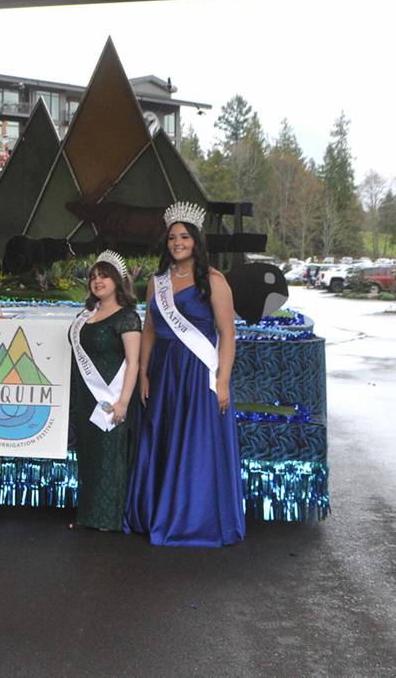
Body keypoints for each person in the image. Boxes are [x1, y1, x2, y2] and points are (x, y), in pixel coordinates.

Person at [125, 201, 245, 547]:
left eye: (184, 236)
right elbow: (149, 330)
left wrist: (221, 381)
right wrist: (145, 372)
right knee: (163, 437)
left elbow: (227, 335)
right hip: (164, 372)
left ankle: (195, 518)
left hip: (198, 373)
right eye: (172, 237)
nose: (177, 242)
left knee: (196, 442)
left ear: (196, 241)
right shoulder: (156, 282)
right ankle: (158, 512)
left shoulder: (214, 282)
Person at [68, 252, 141, 532]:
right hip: (86, 397)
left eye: (104, 276)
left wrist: (123, 402)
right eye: (94, 276)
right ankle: (87, 514)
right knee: (89, 455)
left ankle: (108, 517)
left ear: (118, 281)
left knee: (110, 455)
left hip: (113, 397)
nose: (98, 281)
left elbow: (134, 362)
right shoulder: (86, 316)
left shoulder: (127, 316)